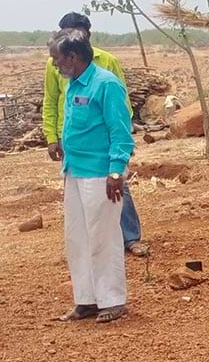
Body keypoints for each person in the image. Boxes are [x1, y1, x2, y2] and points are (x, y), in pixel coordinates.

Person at [42, 13, 147, 256]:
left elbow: (120, 107)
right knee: (81, 221)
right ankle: (89, 257)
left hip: (101, 153)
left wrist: (117, 160)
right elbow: (51, 101)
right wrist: (52, 137)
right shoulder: (60, 69)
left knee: (114, 197)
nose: (55, 63)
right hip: (73, 151)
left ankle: (130, 237)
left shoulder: (106, 66)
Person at [50, 30, 134, 324]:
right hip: (74, 171)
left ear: (73, 57)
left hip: (101, 174)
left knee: (103, 237)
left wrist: (116, 170)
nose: (54, 64)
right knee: (77, 238)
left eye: (57, 58)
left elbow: (121, 131)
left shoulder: (106, 84)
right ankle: (86, 299)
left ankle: (112, 300)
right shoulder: (72, 84)